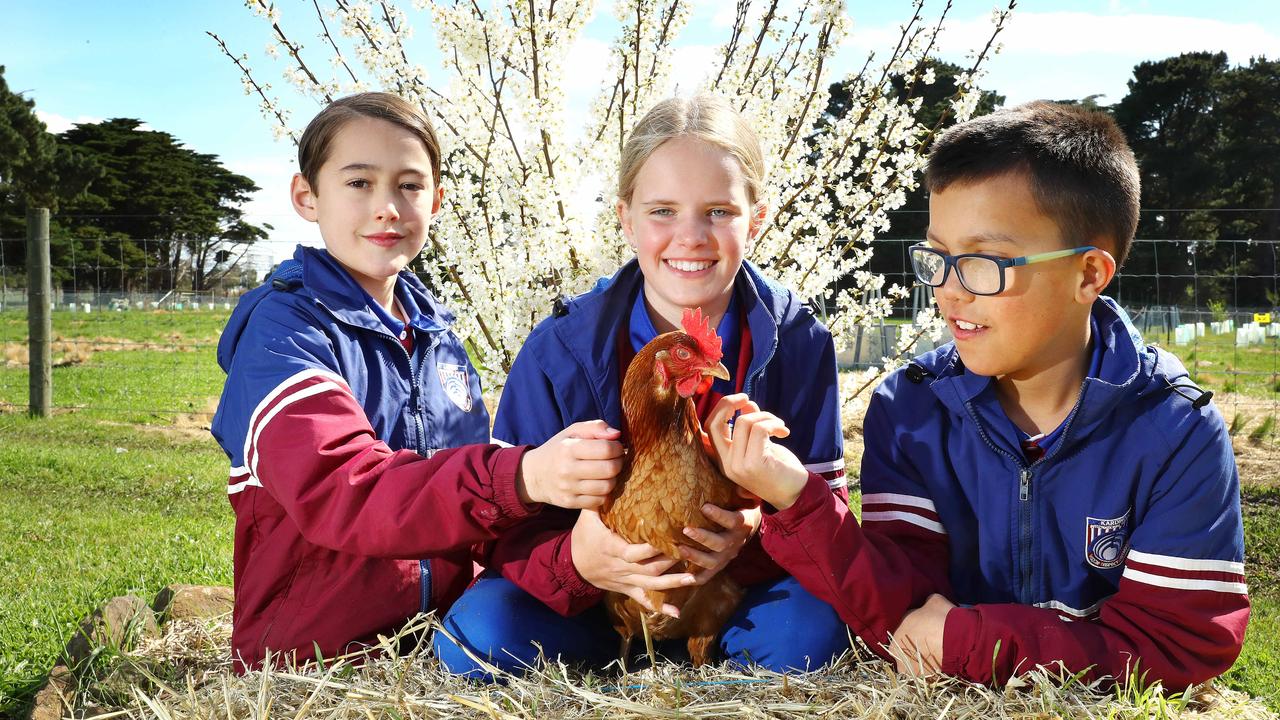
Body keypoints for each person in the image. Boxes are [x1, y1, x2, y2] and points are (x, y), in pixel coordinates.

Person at [707, 101, 1249, 689]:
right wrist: (797, 496)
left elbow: (1175, 646)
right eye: (937, 258)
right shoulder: (911, 411)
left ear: (1089, 274)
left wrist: (975, 642)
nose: (949, 291)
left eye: (984, 263)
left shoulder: (1176, 431)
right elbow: (902, 613)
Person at [433, 93, 851, 675]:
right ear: (626, 219)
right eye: (662, 211)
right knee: (476, 637)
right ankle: (613, 652)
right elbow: (506, 528)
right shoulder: (561, 350)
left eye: (719, 212)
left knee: (815, 635)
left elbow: (828, 511)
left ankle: (718, 661)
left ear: (757, 218)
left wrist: (754, 532)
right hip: (591, 605)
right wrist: (577, 562)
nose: (691, 237)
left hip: (732, 600)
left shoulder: (800, 343)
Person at [210, 92, 627, 672]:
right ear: (307, 196)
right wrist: (525, 474)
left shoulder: (439, 342)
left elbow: (478, 512)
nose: (388, 208)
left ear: (435, 200)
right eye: (359, 183)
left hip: (433, 658)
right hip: (318, 666)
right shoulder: (283, 335)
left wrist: (578, 559)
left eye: (409, 185)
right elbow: (345, 491)